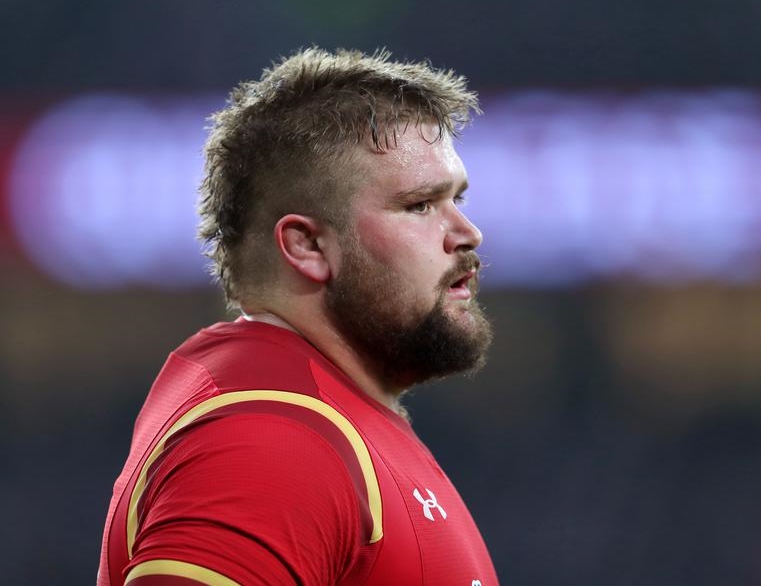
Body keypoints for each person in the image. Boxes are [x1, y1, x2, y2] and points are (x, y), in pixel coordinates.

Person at [98, 47, 497, 586]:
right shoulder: (272, 438)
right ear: (307, 246)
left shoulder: (312, 411)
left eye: (457, 199)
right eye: (419, 205)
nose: (468, 233)